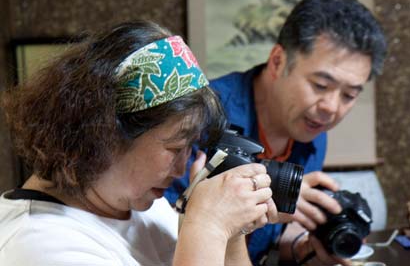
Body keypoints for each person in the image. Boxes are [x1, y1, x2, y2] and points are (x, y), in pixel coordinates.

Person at [0, 21, 279, 265]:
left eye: (189, 148)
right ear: (104, 134)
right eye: (174, 148)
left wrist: (230, 233)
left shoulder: (136, 204)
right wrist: (208, 226)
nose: (183, 168)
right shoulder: (39, 245)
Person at [165, 0, 387, 265]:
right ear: (278, 61)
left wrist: (300, 247)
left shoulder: (312, 134)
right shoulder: (201, 116)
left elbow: (262, 239)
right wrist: (269, 191)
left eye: (349, 95)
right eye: (320, 85)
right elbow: (159, 231)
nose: (331, 107)